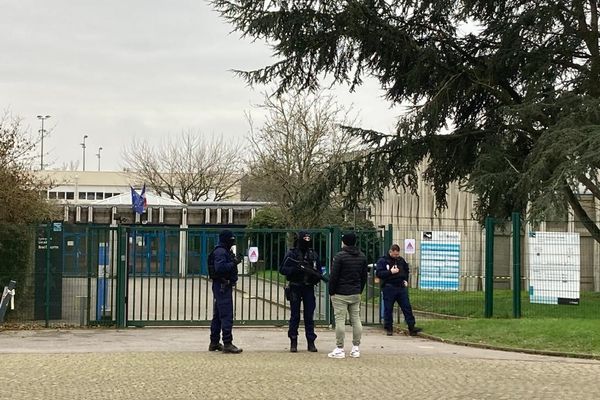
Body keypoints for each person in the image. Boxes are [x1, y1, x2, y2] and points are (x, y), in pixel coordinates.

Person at [280, 231, 323, 353]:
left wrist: (315, 276)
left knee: (309, 315)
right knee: (295, 316)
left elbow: (319, 271)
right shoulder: (292, 253)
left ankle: (311, 342)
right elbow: (282, 269)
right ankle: (293, 341)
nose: (306, 242)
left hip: (308, 287)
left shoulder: (313, 254)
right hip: (295, 287)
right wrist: (295, 270)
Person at [327, 232, 368, 359]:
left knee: (340, 320)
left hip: (340, 293)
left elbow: (334, 276)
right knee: (356, 319)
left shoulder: (340, 256)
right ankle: (356, 348)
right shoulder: (362, 257)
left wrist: (331, 291)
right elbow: (364, 276)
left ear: (344, 242)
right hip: (355, 293)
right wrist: (359, 290)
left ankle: (340, 348)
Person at [376, 244, 422, 336]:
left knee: (407, 307)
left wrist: (405, 280)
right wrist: (390, 272)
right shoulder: (383, 261)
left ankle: (411, 327)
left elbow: (406, 270)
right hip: (389, 287)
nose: (396, 256)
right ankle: (389, 328)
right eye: (394, 255)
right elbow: (379, 273)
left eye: (397, 254)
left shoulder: (401, 260)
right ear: (390, 252)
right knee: (388, 308)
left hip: (401, 287)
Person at [208, 229, 243, 354]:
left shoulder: (223, 251)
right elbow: (220, 268)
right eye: (231, 240)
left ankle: (214, 342)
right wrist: (233, 262)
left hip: (222, 286)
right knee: (226, 314)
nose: (232, 242)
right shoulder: (221, 252)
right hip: (222, 286)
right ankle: (227, 343)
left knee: (218, 315)